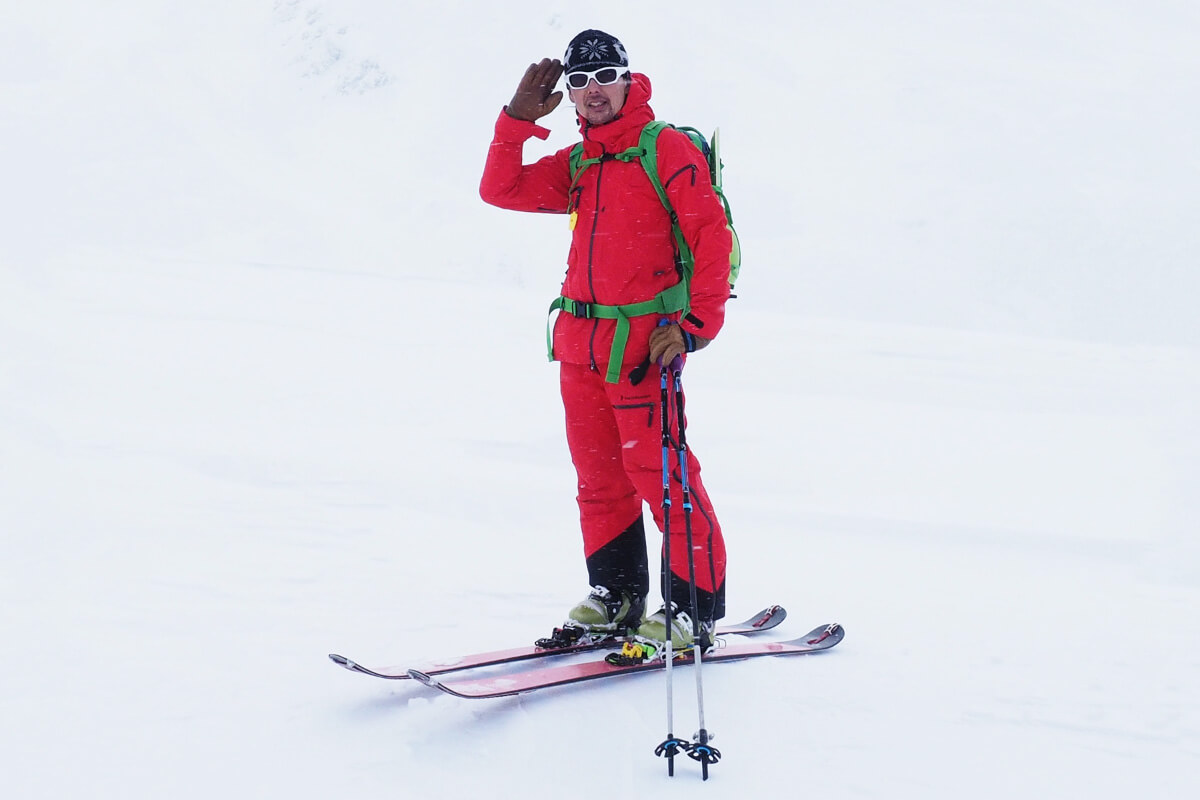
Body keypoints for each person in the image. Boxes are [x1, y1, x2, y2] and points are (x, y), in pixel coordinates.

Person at [479, 30, 733, 650]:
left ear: (627, 80)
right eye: (580, 81)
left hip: (645, 347)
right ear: (568, 93)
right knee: (598, 479)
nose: (593, 90)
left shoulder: (664, 148)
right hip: (581, 347)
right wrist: (515, 124)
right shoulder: (580, 161)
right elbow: (500, 189)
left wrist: (696, 325)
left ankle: (692, 609)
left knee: (662, 475)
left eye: (604, 76)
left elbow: (711, 235)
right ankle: (616, 595)